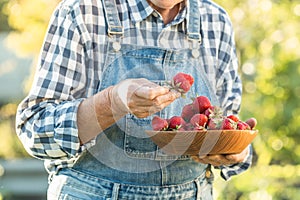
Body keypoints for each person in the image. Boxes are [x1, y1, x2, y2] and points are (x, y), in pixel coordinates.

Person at [15, 0, 253, 199]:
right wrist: (111, 103)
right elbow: (35, 130)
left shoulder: (215, 21)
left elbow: (227, 121)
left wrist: (232, 149)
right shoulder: (82, 12)